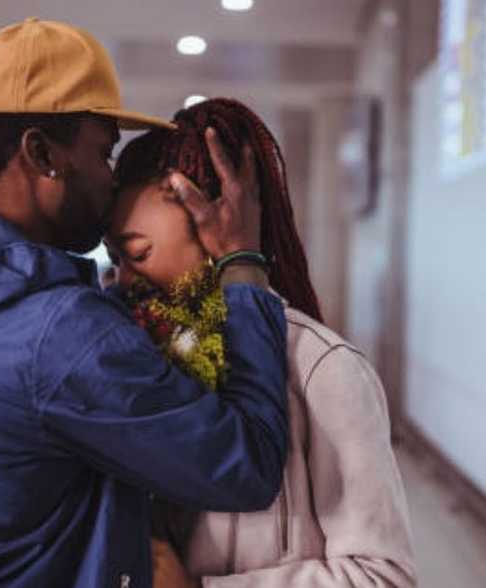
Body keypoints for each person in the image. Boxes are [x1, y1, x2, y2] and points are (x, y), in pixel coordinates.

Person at [0, 19, 290, 588]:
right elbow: (248, 464)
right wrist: (242, 263)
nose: (110, 180)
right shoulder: (62, 333)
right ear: (42, 154)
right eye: (103, 153)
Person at [108, 98, 417, 587]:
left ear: (219, 233)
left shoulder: (322, 367)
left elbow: (382, 577)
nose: (124, 280)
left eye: (139, 253)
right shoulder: (144, 356)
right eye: (115, 260)